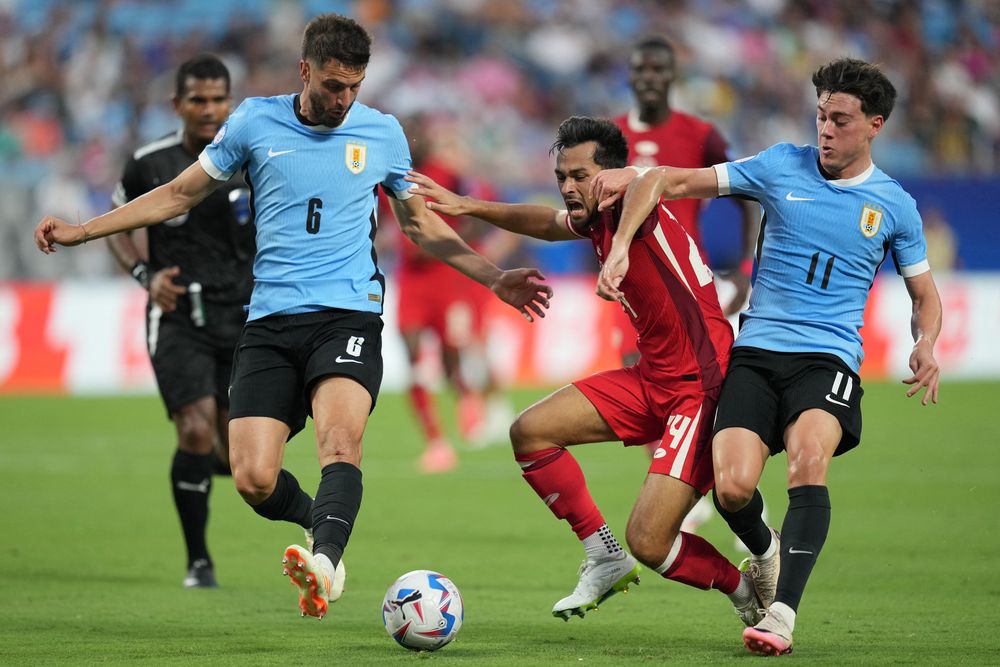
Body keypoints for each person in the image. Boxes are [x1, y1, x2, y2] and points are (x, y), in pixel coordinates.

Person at [34, 13, 551, 621]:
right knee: (252, 477)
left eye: (355, 86)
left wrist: (493, 277)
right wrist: (83, 231)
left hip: (348, 315)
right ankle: (319, 523)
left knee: (341, 440)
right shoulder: (254, 122)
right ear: (305, 70)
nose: (344, 99)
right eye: (333, 85)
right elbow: (177, 193)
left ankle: (327, 561)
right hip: (270, 322)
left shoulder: (382, 134)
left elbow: (419, 226)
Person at [592, 58, 942, 655]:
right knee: (730, 488)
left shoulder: (894, 207)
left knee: (808, 458)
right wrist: (622, 238)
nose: (826, 130)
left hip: (826, 361)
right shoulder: (780, 164)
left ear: (875, 124)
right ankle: (767, 550)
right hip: (755, 356)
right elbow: (667, 181)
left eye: (841, 120)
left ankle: (781, 612)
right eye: (821, 117)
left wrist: (925, 341)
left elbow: (924, 295)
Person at [407, 116, 765, 627]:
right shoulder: (594, 214)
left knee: (650, 540)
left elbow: (645, 182)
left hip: (700, 390)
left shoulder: (634, 200)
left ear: (611, 175)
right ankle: (604, 555)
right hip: (651, 380)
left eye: (580, 175)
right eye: (562, 176)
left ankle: (746, 588)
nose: (569, 187)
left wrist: (619, 248)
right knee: (530, 432)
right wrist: (468, 206)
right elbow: (547, 223)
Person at [105, 54, 253, 589]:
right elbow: (117, 227)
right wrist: (145, 274)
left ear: (230, 102)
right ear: (178, 104)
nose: (209, 110)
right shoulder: (148, 164)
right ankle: (198, 561)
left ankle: (215, 464)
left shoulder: (250, 161)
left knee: (240, 456)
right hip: (178, 317)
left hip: (244, 320)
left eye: (218, 100)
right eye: (199, 100)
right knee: (193, 429)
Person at [614, 35, 763, 537]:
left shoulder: (700, 132)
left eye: (659, 68)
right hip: (636, 290)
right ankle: (683, 487)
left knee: (703, 389)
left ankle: (708, 493)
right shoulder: (612, 135)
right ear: (631, 75)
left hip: (691, 285)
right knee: (645, 386)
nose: (649, 76)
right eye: (641, 68)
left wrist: (744, 265)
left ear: (671, 77)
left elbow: (747, 193)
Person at [380, 116, 517, 473]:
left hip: (447, 276)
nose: (416, 142)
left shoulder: (445, 172)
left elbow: (473, 202)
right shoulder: (386, 176)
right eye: (409, 138)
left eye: (419, 135)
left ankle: (467, 396)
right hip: (412, 280)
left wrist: (458, 234)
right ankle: (435, 441)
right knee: (411, 353)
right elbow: (380, 221)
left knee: (452, 354)